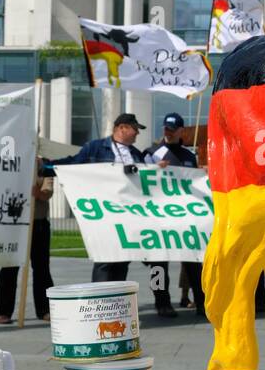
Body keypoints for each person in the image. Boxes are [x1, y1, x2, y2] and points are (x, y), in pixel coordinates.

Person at [47, 113, 178, 317]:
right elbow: (71, 164)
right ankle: (99, 304)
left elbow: (146, 179)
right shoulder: (96, 148)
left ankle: (158, 300)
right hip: (107, 217)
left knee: (154, 259)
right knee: (107, 259)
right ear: (122, 128)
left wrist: (154, 170)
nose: (137, 134)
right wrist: (44, 167)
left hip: (134, 217)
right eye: (135, 129)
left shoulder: (137, 154)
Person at [147, 112, 206, 320]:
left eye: (172, 130)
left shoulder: (188, 156)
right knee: (158, 264)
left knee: (193, 262)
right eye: (166, 129)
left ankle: (201, 302)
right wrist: (153, 169)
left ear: (181, 131)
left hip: (184, 218)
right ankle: (161, 303)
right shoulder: (152, 152)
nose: (168, 133)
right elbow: (141, 179)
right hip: (158, 219)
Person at [0, 166, 54, 324]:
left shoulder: (44, 168)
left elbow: (48, 191)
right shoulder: (13, 164)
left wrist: (38, 193)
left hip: (38, 224)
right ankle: (2, 311)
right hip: (16, 223)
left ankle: (45, 309)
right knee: (9, 266)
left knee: (41, 268)